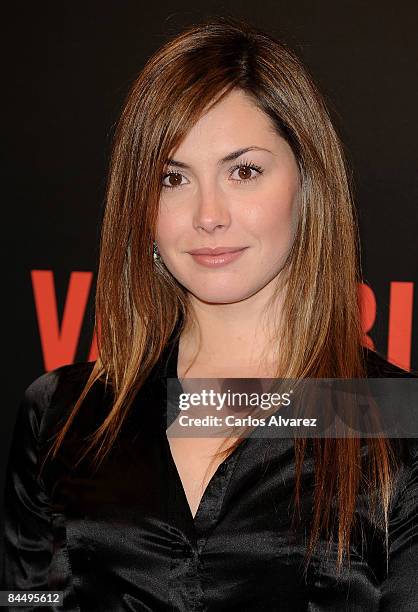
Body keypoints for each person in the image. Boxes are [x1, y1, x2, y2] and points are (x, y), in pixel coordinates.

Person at [2, 15, 418, 612]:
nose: (208, 214)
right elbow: (24, 602)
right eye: (173, 178)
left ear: (307, 186)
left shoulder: (394, 426)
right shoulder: (61, 415)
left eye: (243, 171)